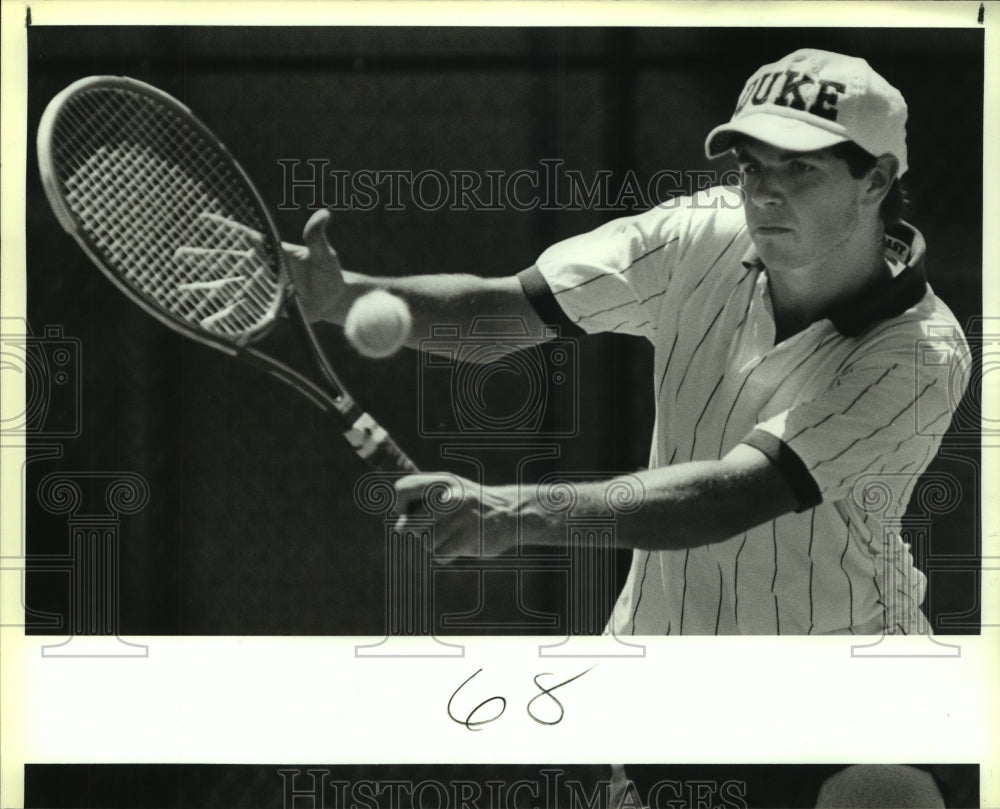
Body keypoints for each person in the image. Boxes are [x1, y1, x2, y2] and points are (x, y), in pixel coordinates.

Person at [284, 49, 969, 635]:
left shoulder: (921, 352)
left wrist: (512, 509)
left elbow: (730, 496)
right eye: (752, 166)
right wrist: (340, 294)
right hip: (660, 666)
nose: (764, 193)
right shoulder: (695, 234)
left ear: (876, 179)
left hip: (846, 675)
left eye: (800, 170)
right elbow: (499, 313)